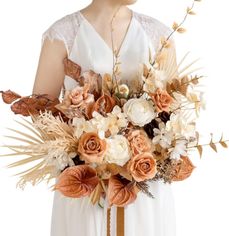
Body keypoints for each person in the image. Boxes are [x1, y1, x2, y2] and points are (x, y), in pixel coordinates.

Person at [33, 0, 177, 235]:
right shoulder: (62, 35)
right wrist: (89, 147)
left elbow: (171, 115)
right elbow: (41, 116)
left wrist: (139, 149)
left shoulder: (158, 36)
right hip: (88, 187)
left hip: (144, 184)